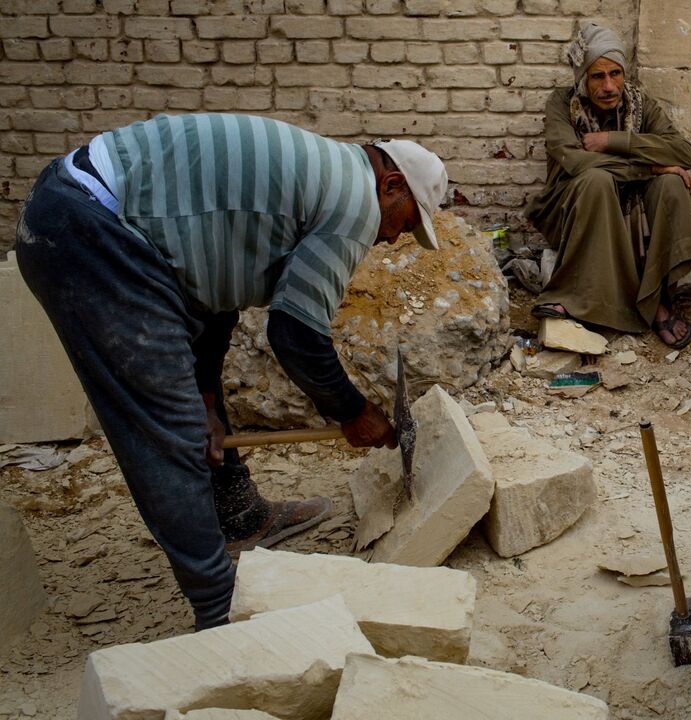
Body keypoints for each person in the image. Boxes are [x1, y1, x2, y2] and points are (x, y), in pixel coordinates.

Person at [15, 113, 449, 630]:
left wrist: (205, 397)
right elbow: (296, 336)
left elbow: (215, 298)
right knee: (168, 432)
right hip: (93, 230)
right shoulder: (355, 201)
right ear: (392, 184)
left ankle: (239, 515)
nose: (396, 238)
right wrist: (353, 413)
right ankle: (219, 611)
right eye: (405, 222)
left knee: (195, 409)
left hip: (88, 212)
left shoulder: (316, 178)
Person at [525, 23, 691, 348]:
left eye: (616, 74)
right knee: (596, 180)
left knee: (671, 184)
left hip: (635, 201)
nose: (609, 86)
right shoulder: (563, 105)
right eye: (598, 76)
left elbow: (683, 153)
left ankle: (658, 299)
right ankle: (584, 299)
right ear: (583, 78)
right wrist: (650, 165)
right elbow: (576, 162)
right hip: (574, 205)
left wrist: (615, 141)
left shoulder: (639, 104)